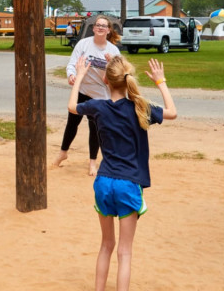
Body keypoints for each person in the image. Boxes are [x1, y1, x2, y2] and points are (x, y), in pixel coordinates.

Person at [68, 54, 177, 291]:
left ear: (106, 81)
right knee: (124, 252)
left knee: (106, 245)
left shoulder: (98, 107)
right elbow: (172, 112)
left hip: (104, 182)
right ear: (127, 79)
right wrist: (161, 81)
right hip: (128, 184)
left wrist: (80, 78)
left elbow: (72, 107)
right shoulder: (140, 107)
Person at [54, 15, 120, 176]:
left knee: (95, 128)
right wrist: (71, 75)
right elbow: (71, 63)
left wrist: (112, 63)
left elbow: (120, 74)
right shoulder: (83, 44)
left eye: (104, 26)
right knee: (72, 123)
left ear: (109, 30)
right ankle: (63, 153)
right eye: (98, 25)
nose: (100, 28)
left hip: (100, 96)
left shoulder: (113, 50)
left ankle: (92, 162)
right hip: (82, 91)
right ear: (93, 28)